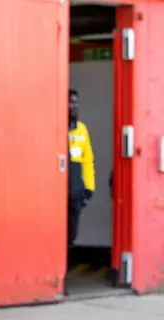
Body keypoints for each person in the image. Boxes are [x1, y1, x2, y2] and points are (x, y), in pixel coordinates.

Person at [67, 88, 96, 247]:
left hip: (75, 194)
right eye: (70, 102)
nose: (74, 106)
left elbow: (87, 160)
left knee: (71, 236)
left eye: (76, 103)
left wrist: (89, 188)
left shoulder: (81, 130)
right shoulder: (55, 129)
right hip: (57, 196)